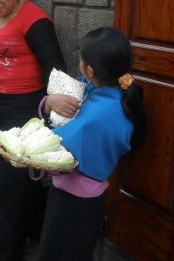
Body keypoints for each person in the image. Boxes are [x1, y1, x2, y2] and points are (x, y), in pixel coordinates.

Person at [0, 0, 67, 260]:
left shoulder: (35, 21)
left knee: (2, 193)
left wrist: (49, 106)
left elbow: (57, 73)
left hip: (21, 118)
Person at [36, 27, 146, 261]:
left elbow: (54, 150)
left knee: (60, 253)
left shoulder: (98, 117)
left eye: (81, 58)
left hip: (73, 202)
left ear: (89, 70)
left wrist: (40, 119)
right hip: (84, 199)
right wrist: (49, 102)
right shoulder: (102, 94)